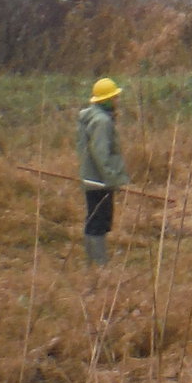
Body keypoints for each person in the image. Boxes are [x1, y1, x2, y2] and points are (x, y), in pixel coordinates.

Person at [76, 77, 130, 266]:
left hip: (92, 178)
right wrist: (112, 179)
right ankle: (99, 264)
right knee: (98, 221)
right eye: (114, 97)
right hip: (100, 181)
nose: (117, 100)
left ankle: (93, 261)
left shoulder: (91, 117)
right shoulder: (102, 122)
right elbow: (101, 154)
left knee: (95, 219)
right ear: (106, 100)